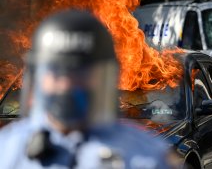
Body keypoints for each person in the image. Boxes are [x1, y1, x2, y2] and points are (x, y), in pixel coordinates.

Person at [0, 10, 180, 168]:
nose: (66, 86)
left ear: (105, 79)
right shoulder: (7, 150)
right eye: (56, 74)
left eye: (81, 75)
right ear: (37, 78)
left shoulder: (147, 157)